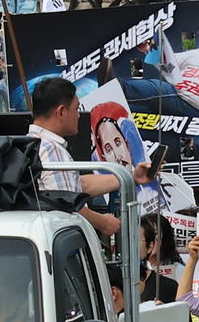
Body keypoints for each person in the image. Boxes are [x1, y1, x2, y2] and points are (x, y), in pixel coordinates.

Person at [27, 76, 152, 240]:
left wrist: (133, 176)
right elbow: (66, 203)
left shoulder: (33, 143)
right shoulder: (51, 149)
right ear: (62, 111)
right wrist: (103, 222)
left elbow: (78, 185)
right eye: (76, 109)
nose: (79, 115)